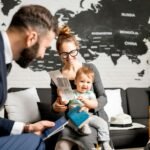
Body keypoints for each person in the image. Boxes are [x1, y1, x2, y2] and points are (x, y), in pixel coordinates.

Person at [0, 4, 58, 150]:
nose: (42, 56)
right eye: (45, 47)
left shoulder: (5, 61)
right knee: (37, 141)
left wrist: (27, 128)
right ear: (31, 38)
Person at [50, 25, 112, 150]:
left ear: (77, 48)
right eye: (64, 54)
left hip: (94, 117)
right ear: (59, 54)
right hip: (73, 120)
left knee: (85, 141)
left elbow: (103, 97)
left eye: (73, 52)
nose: (69, 57)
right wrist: (56, 106)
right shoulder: (58, 76)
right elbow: (54, 106)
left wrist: (90, 104)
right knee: (61, 145)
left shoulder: (90, 69)